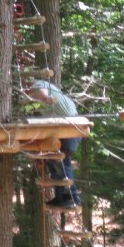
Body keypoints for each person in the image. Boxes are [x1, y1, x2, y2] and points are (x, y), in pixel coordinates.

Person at [27, 80, 82, 208]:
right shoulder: (40, 97)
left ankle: (72, 198)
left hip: (70, 129)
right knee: (53, 163)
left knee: (62, 163)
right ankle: (60, 197)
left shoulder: (40, 86)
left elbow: (43, 93)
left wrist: (32, 95)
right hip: (61, 131)